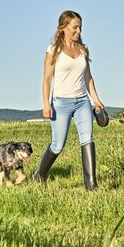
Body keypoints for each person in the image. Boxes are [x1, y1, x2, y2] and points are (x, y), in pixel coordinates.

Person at [33, 10, 105, 190]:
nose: (78, 31)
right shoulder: (53, 50)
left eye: (80, 27)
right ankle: (39, 174)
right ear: (63, 28)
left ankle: (91, 184)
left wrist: (96, 100)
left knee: (87, 139)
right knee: (57, 145)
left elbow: (88, 77)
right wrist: (45, 104)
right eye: (75, 27)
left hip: (82, 102)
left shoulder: (83, 49)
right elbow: (47, 79)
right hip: (61, 102)